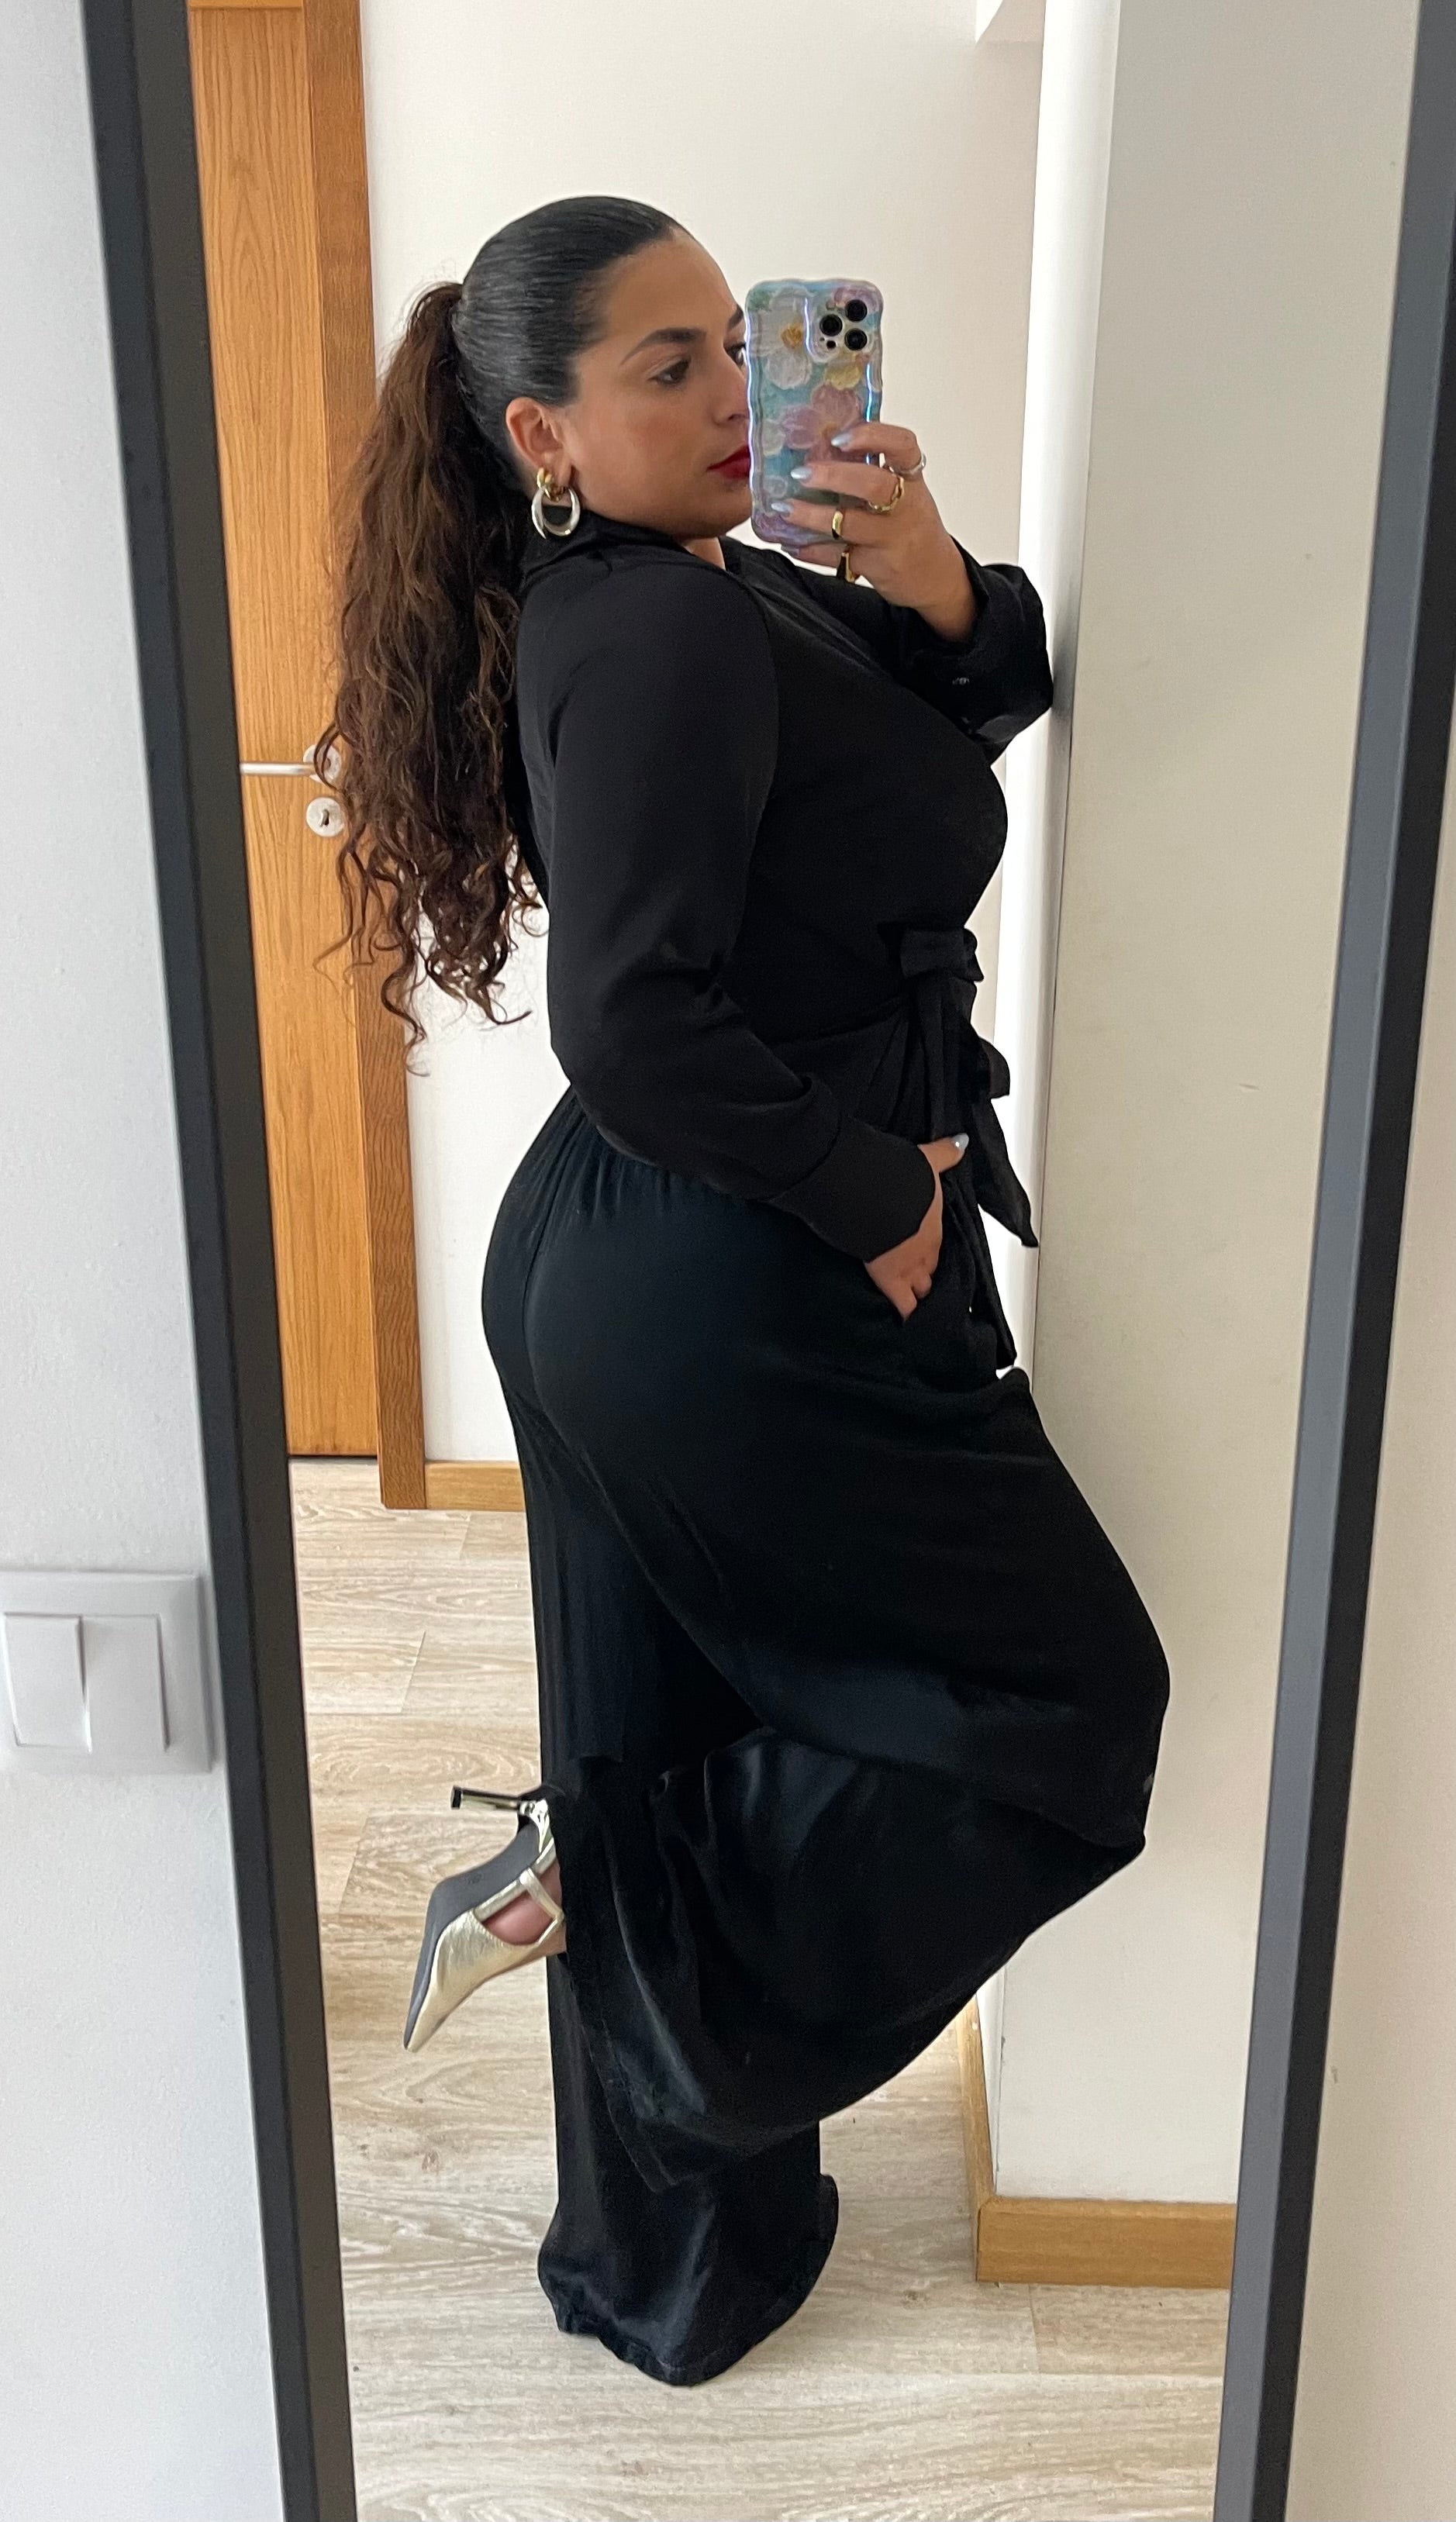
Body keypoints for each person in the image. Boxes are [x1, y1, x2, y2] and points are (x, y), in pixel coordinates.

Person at [321, 195, 1170, 2390]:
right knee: (1071, 1700)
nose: (728, 393)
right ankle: (611, 1884)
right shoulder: (655, 630)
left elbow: (959, 714)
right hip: (740, 1252)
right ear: (545, 435)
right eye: (669, 366)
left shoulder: (717, 586)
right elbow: (633, 1016)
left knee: (684, 1723)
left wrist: (932, 573)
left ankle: (681, 2249)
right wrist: (874, 1192)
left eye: (735, 342)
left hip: (671, 1255)